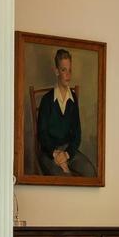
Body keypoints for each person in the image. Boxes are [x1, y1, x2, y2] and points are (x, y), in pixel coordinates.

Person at [32, 47, 97, 178]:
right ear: (57, 71)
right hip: (49, 153)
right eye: (63, 70)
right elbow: (42, 134)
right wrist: (55, 154)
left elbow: (77, 134)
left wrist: (66, 155)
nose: (68, 74)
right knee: (63, 178)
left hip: (68, 152)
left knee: (91, 172)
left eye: (69, 70)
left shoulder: (73, 99)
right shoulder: (47, 100)